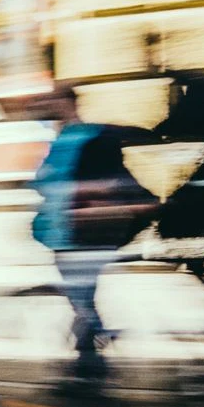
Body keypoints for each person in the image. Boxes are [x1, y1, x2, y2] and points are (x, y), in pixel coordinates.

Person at [30, 87, 157, 372]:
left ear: (68, 102)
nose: (46, 105)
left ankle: (93, 355)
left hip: (85, 231)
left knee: (81, 298)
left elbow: (112, 179)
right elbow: (42, 183)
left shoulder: (92, 136)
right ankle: (89, 357)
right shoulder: (60, 140)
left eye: (53, 99)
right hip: (62, 233)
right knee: (81, 298)